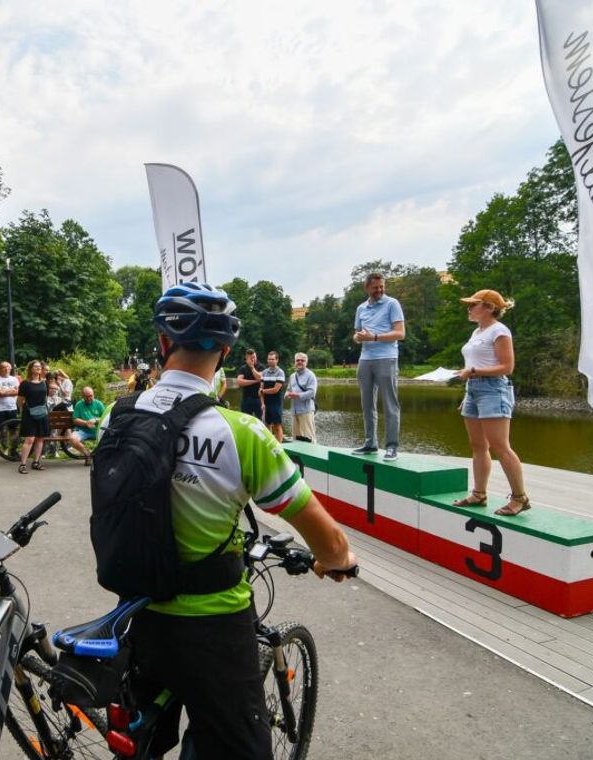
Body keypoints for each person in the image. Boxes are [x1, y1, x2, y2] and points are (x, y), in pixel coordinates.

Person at [98, 282, 356, 759]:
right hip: (213, 625)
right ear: (226, 349)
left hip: (137, 611)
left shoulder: (117, 415)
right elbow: (326, 535)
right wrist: (337, 560)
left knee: (141, 740)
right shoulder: (241, 433)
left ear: (161, 343)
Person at [451, 289, 531, 517]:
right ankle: (478, 494)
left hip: (493, 389)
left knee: (500, 446)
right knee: (478, 446)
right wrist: (468, 390)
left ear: (488, 307)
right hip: (474, 390)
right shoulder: (477, 331)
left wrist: (473, 372)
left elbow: (507, 367)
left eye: (473, 304)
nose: (469, 308)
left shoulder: (499, 331)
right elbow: (475, 362)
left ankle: (519, 498)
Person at [352, 272, 405, 460]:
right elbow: (357, 333)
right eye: (375, 287)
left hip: (387, 357)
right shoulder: (361, 308)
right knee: (367, 404)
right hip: (365, 359)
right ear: (367, 288)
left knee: (390, 404)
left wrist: (374, 337)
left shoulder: (392, 304)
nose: (379, 290)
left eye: (382, 286)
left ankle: (391, 447)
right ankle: (370, 443)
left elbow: (400, 333)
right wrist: (358, 337)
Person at [17, 359, 50, 474]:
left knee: (40, 438)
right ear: (30, 369)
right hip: (29, 413)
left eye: (39, 367)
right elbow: (20, 400)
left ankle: (36, 462)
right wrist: (24, 410)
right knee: (30, 439)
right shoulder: (25, 383)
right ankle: (22, 464)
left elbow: (45, 397)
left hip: (42, 413)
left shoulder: (44, 382)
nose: (38, 368)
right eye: (35, 366)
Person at [286, 352, 318, 443]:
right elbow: (289, 389)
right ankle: (297, 457)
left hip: (306, 411)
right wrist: (287, 395)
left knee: (309, 437)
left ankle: (313, 454)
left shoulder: (310, 375)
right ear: (294, 362)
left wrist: (297, 395)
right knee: (296, 438)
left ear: (306, 362)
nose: (299, 362)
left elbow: (312, 392)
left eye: (302, 360)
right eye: (297, 360)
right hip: (294, 411)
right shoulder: (292, 376)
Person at [69, 386, 105, 465]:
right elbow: (75, 419)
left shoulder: (98, 404)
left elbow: (104, 417)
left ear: (93, 394)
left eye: (91, 396)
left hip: (97, 430)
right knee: (72, 439)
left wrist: (95, 420)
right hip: (83, 430)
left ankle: (101, 457)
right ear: (83, 396)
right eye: (87, 396)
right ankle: (87, 454)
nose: (89, 398)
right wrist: (86, 423)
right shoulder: (79, 404)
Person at [259, 350, 287, 442]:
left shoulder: (280, 372)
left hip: (276, 403)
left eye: (272, 359)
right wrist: (262, 403)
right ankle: (270, 445)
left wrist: (263, 391)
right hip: (266, 403)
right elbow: (260, 391)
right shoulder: (264, 372)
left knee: (277, 425)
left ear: (277, 360)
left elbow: (276, 389)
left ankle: (279, 447)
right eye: (269, 359)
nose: (270, 361)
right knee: (267, 425)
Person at [235, 348, 263, 419]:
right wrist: (255, 381)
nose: (253, 359)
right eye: (251, 358)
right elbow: (239, 382)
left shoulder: (260, 367)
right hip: (246, 399)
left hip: (258, 399)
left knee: (260, 421)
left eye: (254, 357)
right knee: (245, 421)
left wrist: (252, 368)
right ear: (246, 358)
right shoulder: (243, 368)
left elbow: (259, 377)